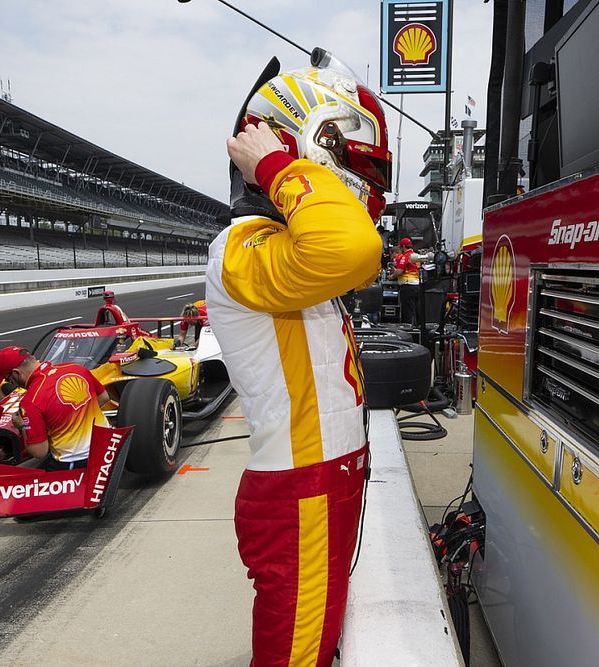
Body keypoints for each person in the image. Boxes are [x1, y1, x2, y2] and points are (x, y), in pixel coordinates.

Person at [205, 54, 388, 666]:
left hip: (323, 489)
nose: (365, 185)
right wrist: (276, 165)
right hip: (303, 493)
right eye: (355, 166)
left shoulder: (289, 251)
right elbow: (355, 245)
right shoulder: (240, 246)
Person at [0, 346, 110, 471]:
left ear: (16, 373)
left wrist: (22, 426)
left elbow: (39, 452)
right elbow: (103, 397)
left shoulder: (31, 401)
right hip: (110, 447)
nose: (13, 384)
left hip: (78, 461)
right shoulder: (75, 368)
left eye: (9, 380)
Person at [391, 237, 433, 327]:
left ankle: (408, 331)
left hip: (407, 286)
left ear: (403, 247)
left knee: (407, 312)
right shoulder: (416, 256)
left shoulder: (405, 256)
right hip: (417, 286)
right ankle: (420, 329)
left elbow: (399, 271)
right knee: (417, 310)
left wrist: (391, 276)